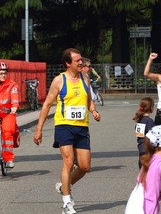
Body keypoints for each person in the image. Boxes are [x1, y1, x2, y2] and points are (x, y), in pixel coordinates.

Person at [33, 48, 101, 214]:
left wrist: (93, 111)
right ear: (68, 63)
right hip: (64, 125)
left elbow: (88, 100)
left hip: (82, 126)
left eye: (81, 60)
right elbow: (47, 104)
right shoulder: (59, 80)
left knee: (85, 166)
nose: (81, 63)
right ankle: (67, 202)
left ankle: (65, 185)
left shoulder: (85, 77)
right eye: (77, 60)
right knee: (69, 162)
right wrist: (39, 128)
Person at [133, 97, 155, 169]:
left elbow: (138, 133)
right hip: (148, 147)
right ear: (151, 108)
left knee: (142, 170)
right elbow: (151, 135)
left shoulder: (139, 120)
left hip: (141, 147)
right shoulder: (149, 121)